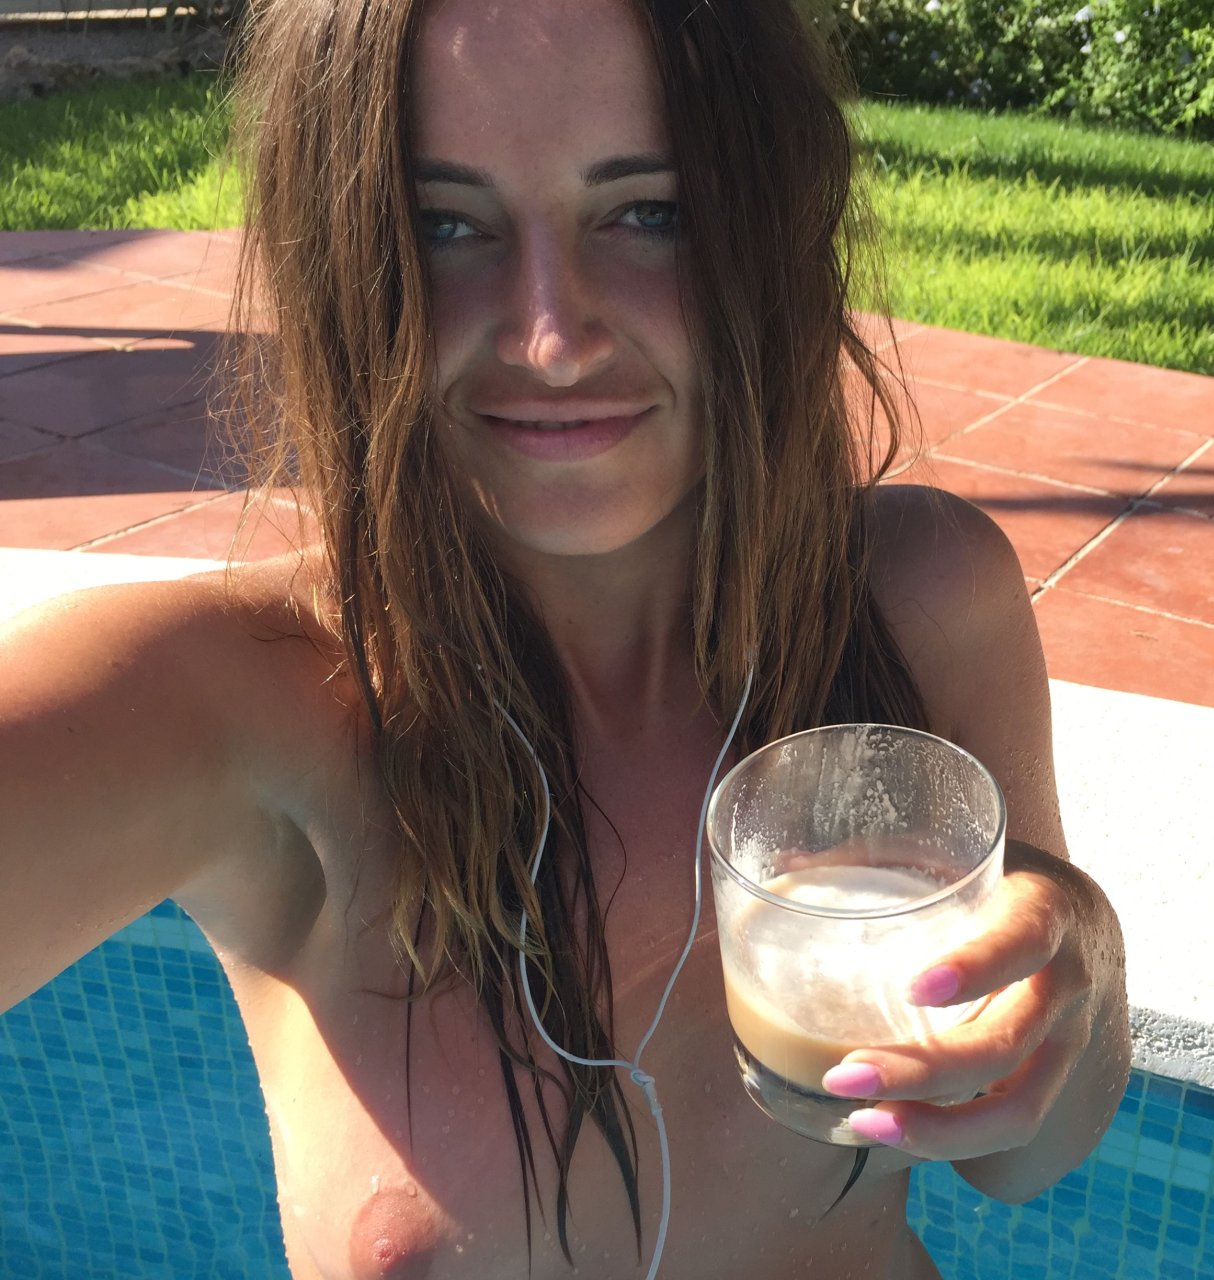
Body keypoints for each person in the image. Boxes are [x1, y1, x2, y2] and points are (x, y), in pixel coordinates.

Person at [0, 0, 1130, 1274]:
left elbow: (1024, 1157)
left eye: (648, 211)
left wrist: (1076, 951)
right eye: (445, 224)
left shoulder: (916, 607)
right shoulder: (256, 705)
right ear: (345, 254)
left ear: (766, 223)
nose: (551, 338)